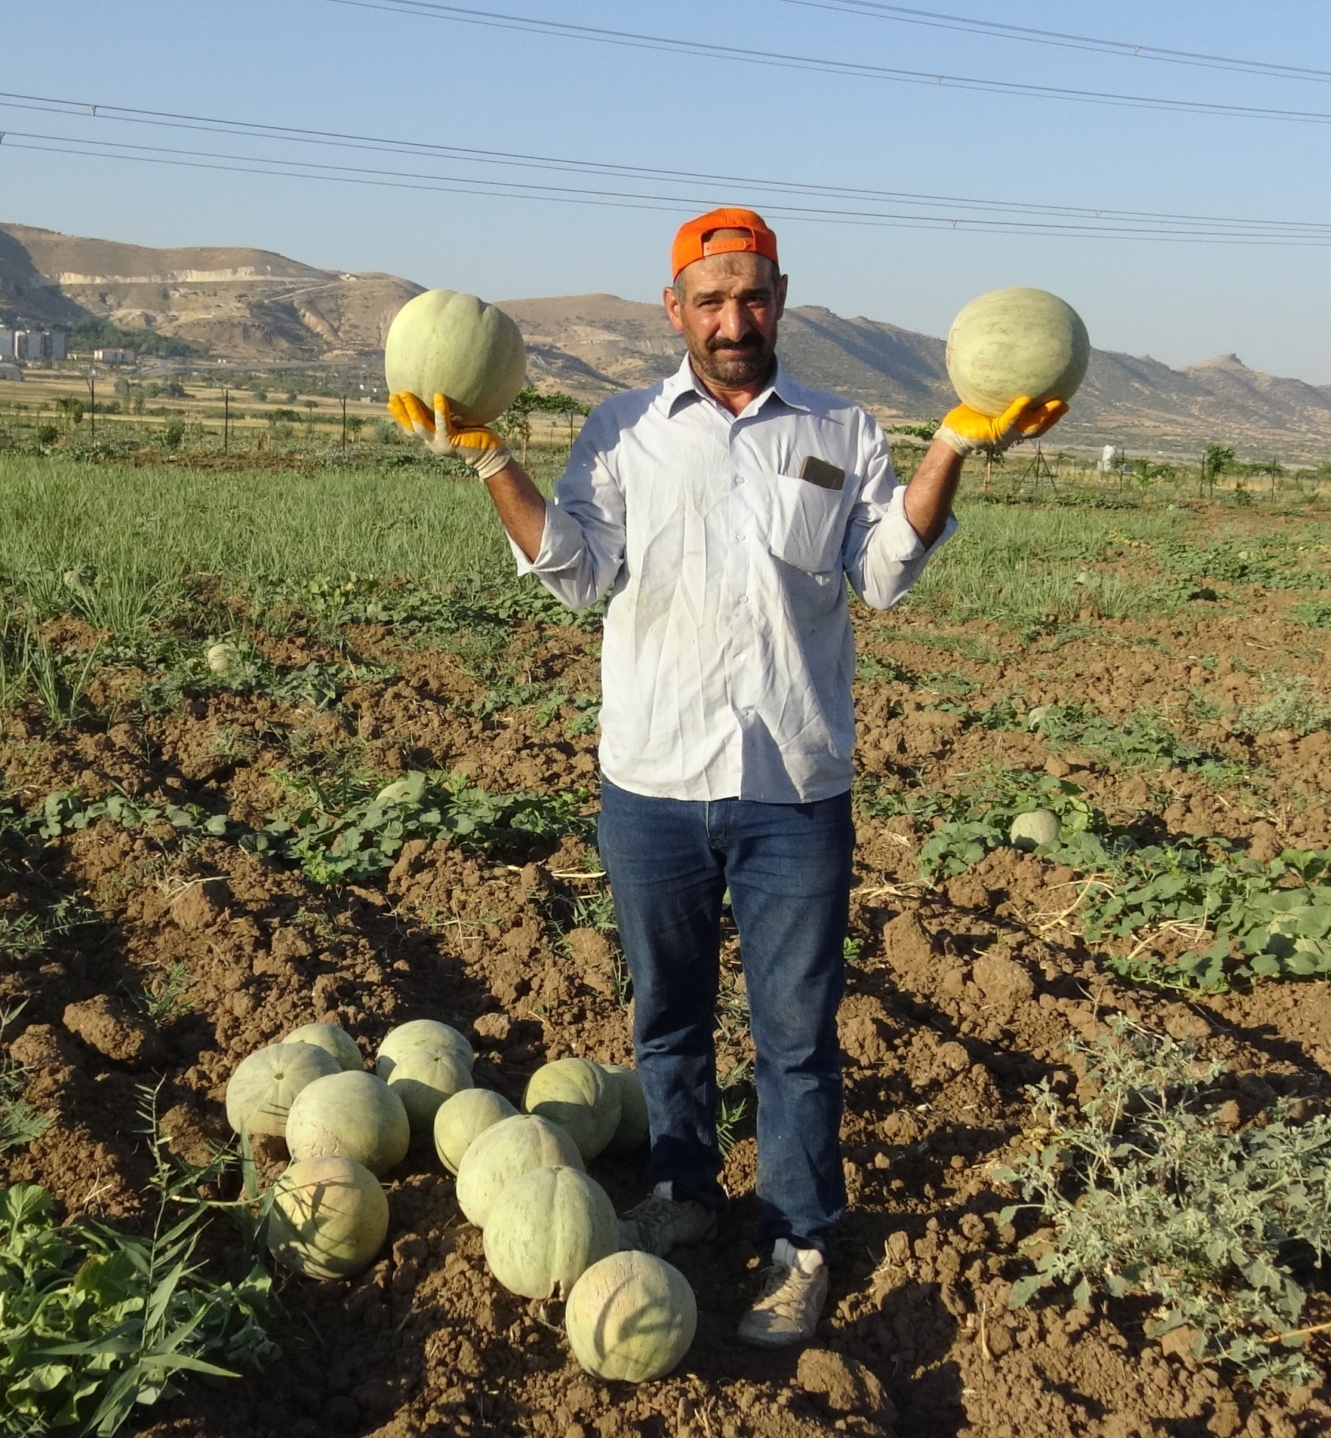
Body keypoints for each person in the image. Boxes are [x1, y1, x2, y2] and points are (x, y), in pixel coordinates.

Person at [388, 208, 1066, 1347]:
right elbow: (573, 575)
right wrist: (487, 456)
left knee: (796, 1036)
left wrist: (952, 445)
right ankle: (685, 1193)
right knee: (669, 1021)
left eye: (751, 296)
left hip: (794, 787)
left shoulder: (841, 430)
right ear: (675, 310)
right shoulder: (622, 430)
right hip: (650, 782)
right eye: (709, 299)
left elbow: (887, 575)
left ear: (781, 298)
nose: (732, 319)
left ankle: (798, 1236)